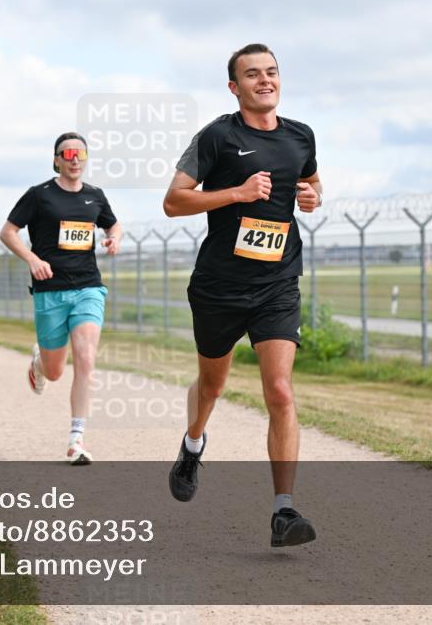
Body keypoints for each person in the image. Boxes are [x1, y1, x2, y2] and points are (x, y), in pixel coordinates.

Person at [162, 43, 324, 547]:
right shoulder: (216, 137)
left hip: (277, 282)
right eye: (252, 75)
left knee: (279, 390)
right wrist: (236, 193)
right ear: (234, 87)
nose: (265, 81)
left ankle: (284, 512)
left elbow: (313, 183)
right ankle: (193, 445)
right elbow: (173, 202)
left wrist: (313, 197)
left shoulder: (301, 135)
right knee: (212, 386)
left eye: (271, 72)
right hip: (219, 287)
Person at [0, 132, 122, 465]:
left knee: (85, 358)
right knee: (55, 372)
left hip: (88, 288)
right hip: (50, 290)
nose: (74, 158)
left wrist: (113, 240)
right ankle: (40, 362)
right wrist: (33, 259)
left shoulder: (95, 196)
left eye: (80, 153)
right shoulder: (39, 195)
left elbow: (114, 225)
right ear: (56, 159)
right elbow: (8, 232)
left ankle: (75, 440)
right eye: (67, 153)